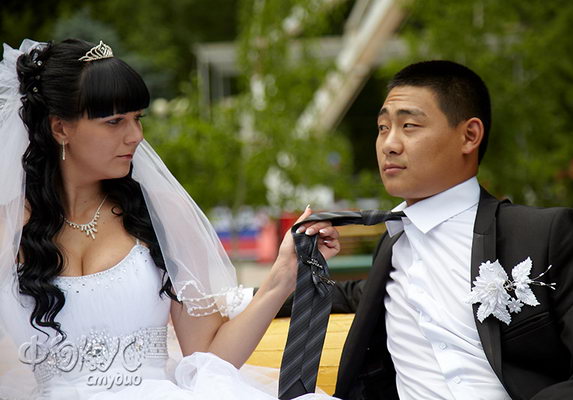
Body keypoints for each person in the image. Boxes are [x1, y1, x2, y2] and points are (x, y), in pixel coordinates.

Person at [0, 38, 340, 399]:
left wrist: (283, 276)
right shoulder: (8, 228)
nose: (135, 136)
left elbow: (209, 358)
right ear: (60, 128)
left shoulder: (159, 212)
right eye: (115, 121)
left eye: (137, 118)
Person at [329, 61, 573, 399]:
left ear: (469, 136)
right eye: (383, 128)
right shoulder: (394, 245)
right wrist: (280, 276)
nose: (389, 144)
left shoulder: (542, 234)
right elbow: (352, 294)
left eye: (409, 125)